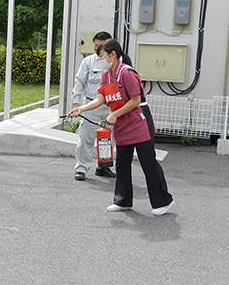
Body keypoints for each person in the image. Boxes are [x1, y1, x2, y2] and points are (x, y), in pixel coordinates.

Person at [68, 39, 174, 216]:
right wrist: (81, 108)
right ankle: (123, 201)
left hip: (138, 121)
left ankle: (163, 201)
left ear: (113, 55)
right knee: (122, 164)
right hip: (122, 123)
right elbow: (100, 98)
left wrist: (115, 114)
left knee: (148, 163)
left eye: (101, 56)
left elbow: (136, 100)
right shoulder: (106, 75)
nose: (99, 60)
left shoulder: (127, 73)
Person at [71, 31, 116, 181]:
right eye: (95, 46)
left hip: (110, 106)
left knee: (108, 139)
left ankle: (103, 167)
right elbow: (79, 81)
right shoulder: (88, 62)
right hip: (91, 105)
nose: (97, 49)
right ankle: (81, 168)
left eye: (100, 46)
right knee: (86, 138)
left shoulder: (115, 62)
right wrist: (76, 103)